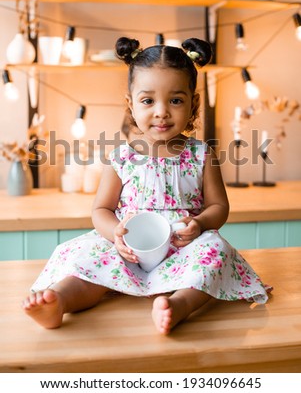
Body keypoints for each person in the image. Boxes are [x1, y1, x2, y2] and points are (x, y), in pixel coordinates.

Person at [22, 37, 272, 334]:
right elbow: (101, 209)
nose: (161, 111)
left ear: (194, 104)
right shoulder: (121, 157)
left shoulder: (202, 154)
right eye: (148, 100)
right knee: (86, 259)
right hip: (127, 249)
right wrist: (114, 234)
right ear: (131, 104)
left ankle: (178, 305)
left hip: (182, 247)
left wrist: (200, 223)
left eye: (176, 100)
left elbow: (219, 207)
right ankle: (59, 302)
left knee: (215, 254)